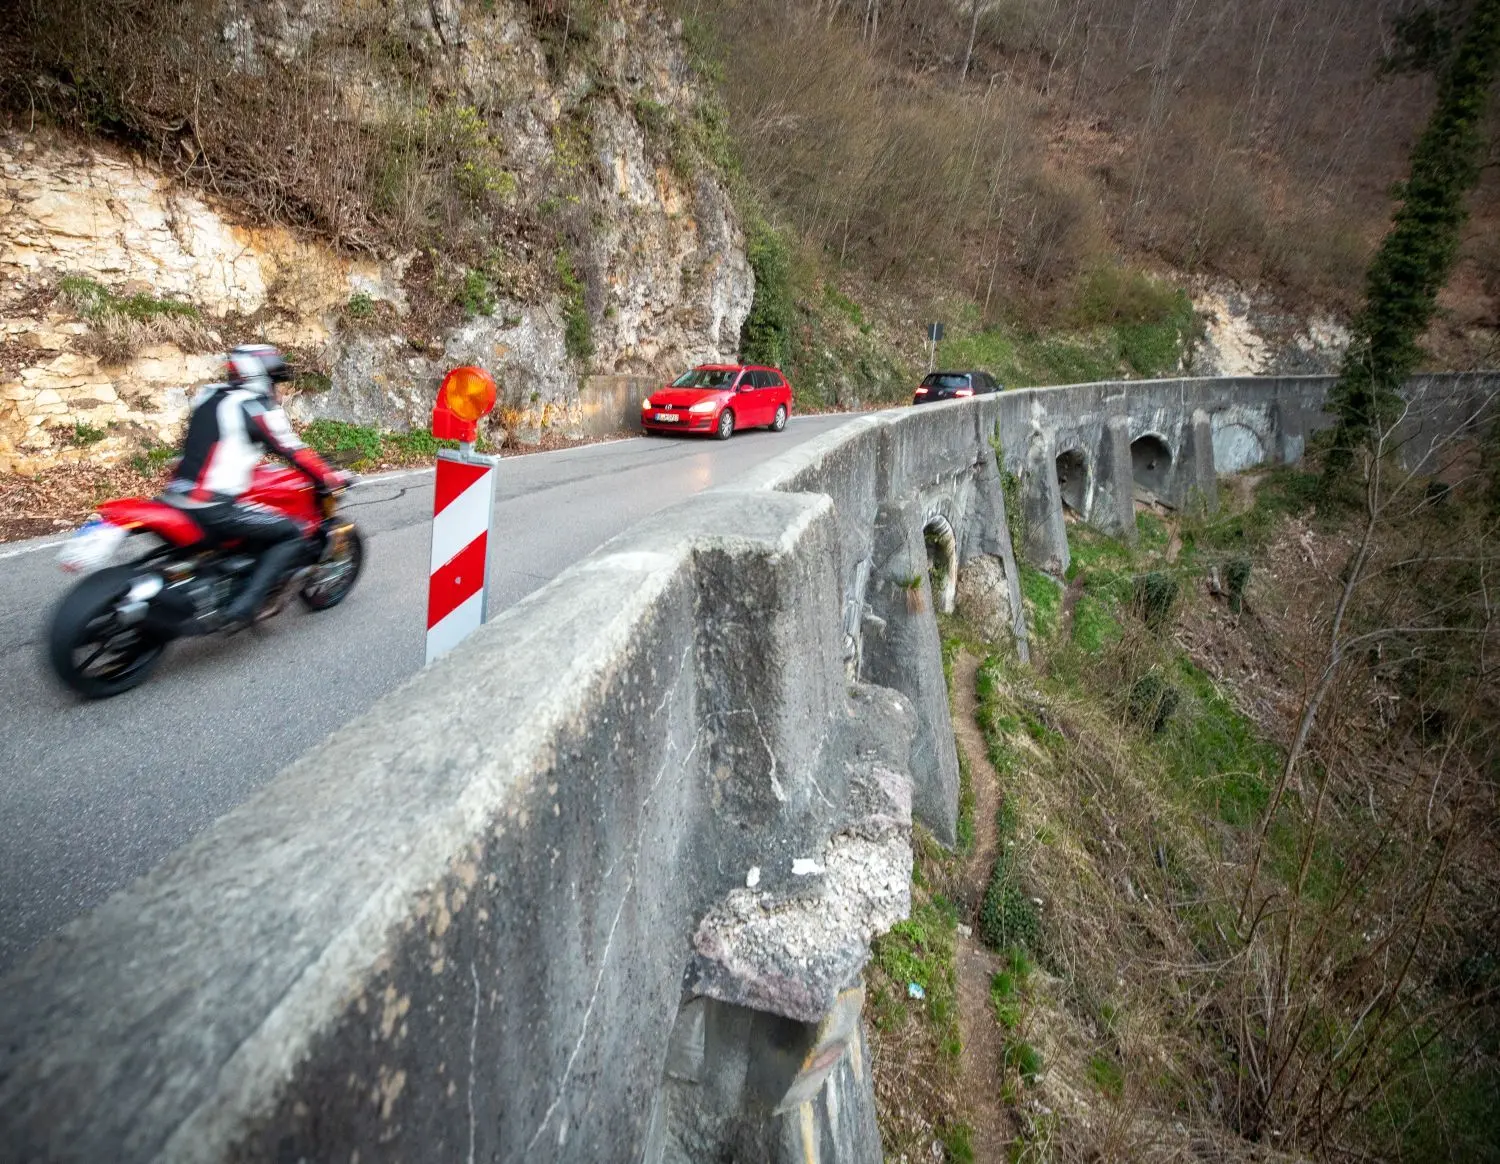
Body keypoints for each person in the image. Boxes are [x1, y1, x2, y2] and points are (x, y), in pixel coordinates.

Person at [163, 343, 349, 631]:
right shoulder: (254, 406)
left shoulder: (208, 395)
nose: (277, 389)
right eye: (274, 381)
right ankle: (244, 607)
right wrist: (330, 477)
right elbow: (293, 450)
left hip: (175, 494)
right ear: (260, 376)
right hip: (214, 506)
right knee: (292, 533)